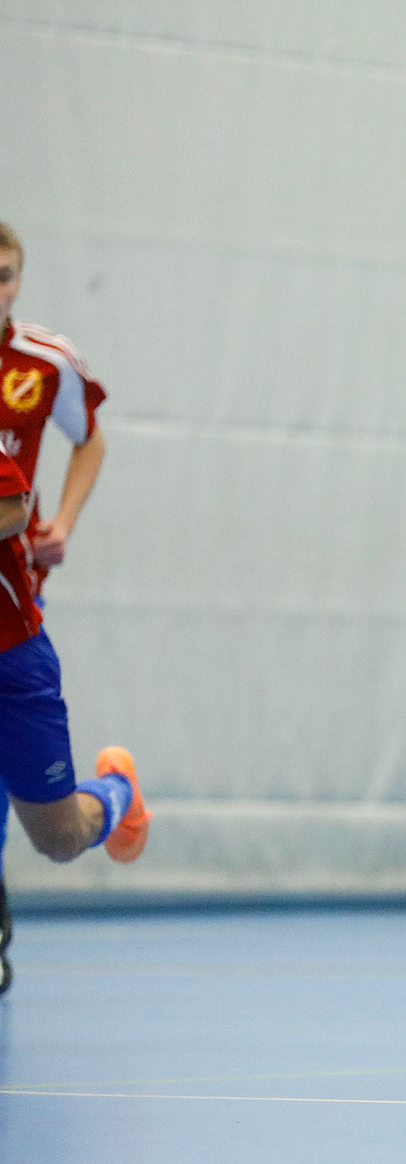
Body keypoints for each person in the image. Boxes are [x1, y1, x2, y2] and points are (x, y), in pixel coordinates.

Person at [0, 221, 124, 995]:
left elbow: (16, 501)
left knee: (58, 837)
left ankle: (117, 791)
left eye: (5, 276)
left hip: (14, 627)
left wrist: (63, 525)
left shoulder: (42, 362)